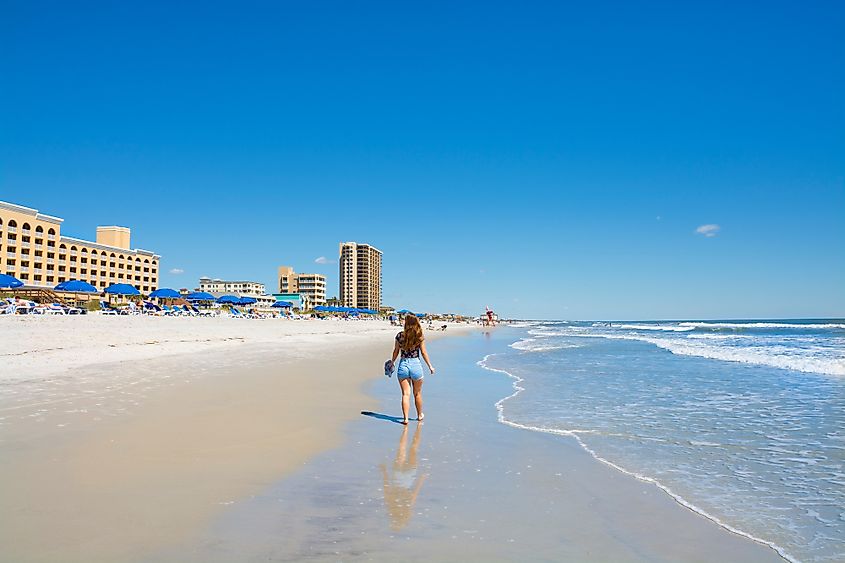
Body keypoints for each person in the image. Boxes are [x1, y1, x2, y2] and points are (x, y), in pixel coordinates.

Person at [390, 314, 435, 425]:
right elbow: (424, 352)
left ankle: (405, 419)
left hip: (403, 365)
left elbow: (396, 351)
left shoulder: (400, 336)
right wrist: (430, 366)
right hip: (416, 365)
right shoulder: (419, 336)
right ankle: (419, 415)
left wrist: (392, 362)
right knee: (417, 394)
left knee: (406, 394)